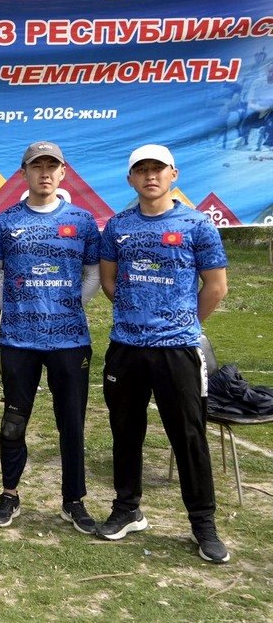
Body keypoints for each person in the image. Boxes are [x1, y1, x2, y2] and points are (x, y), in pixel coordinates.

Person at [97, 144, 230, 564]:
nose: (150, 176)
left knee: (188, 436)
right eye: (142, 170)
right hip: (126, 349)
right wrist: (138, 317)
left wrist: (181, 324)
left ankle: (203, 524)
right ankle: (127, 509)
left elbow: (216, 287)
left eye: (158, 169)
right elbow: (109, 282)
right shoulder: (118, 226)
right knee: (125, 431)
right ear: (130, 179)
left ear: (174, 174)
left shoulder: (197, 224)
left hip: (178, 351)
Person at [0, 141, 101, 532]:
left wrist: (71, 305)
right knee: (13, 421)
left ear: (63, 172)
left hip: (70, 342)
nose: (45, 173)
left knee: (72, 423)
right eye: (37, 166)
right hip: (19, 341)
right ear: (24, 173)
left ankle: (73, 500)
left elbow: (94, 273)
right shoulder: (5, 221)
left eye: (52, 166)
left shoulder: (82, 221)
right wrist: (13, 307)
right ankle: (9, 494)